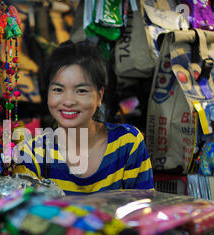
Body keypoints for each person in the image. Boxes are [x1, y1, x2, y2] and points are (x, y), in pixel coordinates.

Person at [13, 41, 154, 195]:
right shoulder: (32, 154)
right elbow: (28, 215)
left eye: (81, 91)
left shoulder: (127, 143)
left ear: (99, 96)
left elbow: (143, 211)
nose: (68, 101)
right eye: (58, 89)